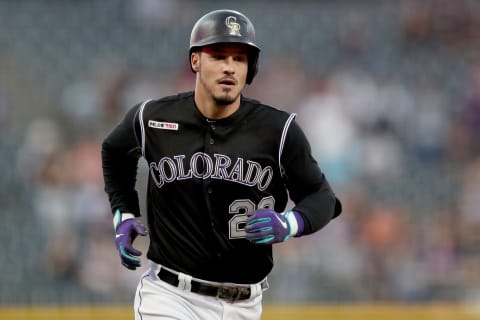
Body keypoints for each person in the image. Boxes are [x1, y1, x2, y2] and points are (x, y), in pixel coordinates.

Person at [101, 9, 342, 320]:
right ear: (196, 61)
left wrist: (290, 223)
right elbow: (114, 150)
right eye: (218, 55)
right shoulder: (154, 118)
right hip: (170, 297)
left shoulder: (278, 131)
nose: (230, 67)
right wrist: (124, 212)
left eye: (239, 58)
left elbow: (323, 198)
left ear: (250, 68)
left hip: (244, 305)